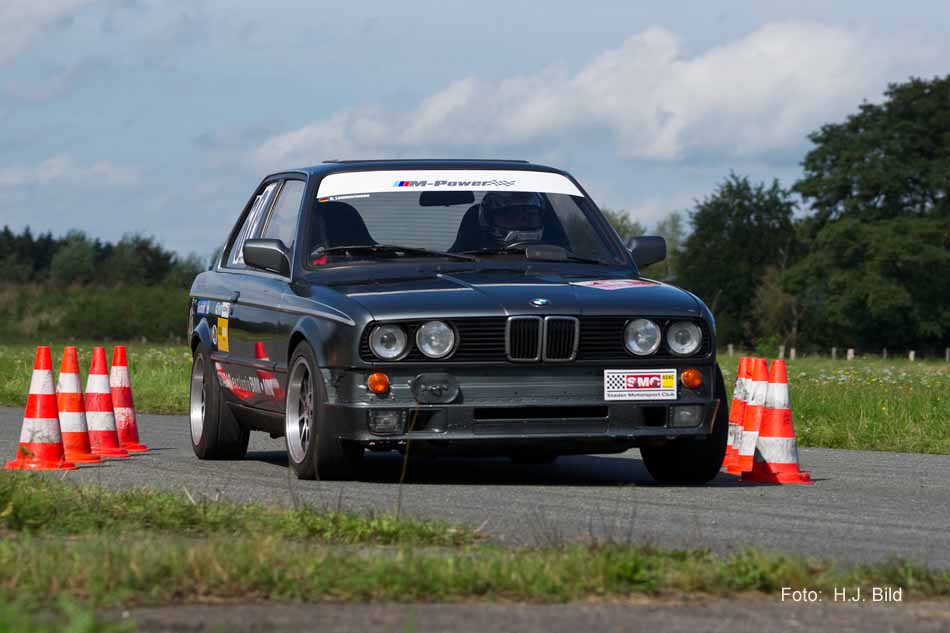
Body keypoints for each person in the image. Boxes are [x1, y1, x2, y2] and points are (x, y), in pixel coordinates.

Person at [477, 192, 546, 248]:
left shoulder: (554, 256)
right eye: (512, 215)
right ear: (489, 220)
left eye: (531, 214)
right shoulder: (477, 261)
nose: (523, 222)